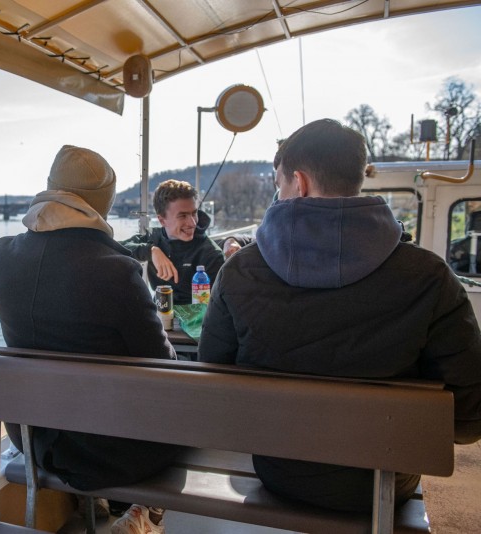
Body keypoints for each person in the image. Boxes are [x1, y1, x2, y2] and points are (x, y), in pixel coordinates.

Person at [198, 118, 481, 513]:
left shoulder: (240, 271)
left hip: (280, 471)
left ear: (299, 182)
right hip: (383, 484)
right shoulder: (430, 276)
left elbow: (214, 379)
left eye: (279, 184)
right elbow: (468, 419)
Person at [0, 145, 182, 532]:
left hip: (33, 440)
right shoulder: (117, 271)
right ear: (103, 205)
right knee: (188, 405)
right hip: (114, 451)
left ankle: (102, 503)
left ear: (48, 188)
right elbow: (163, 368)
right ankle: (145, 511)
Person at [121, 179, 226, 305]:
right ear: (162, 220)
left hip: (197, 314)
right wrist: (151, 251)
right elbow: (116, 248)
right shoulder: (154, 238)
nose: (192, 223)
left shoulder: (212, 254)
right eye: (182, 216)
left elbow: (218, 307)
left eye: (194, 213)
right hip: (160, 308)